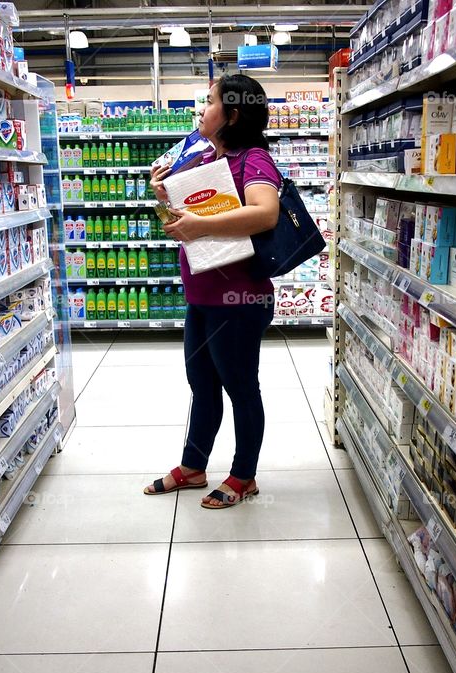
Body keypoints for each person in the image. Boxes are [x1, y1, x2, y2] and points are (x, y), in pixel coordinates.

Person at [143, 74, 281, 509]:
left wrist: (200, 224)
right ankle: (193, 466)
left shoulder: (253, 160)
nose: (201, 111)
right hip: (201, 295)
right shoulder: (202, 158)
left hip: (239, 300)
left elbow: (265, 213)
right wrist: (160, 191)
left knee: (241, 388)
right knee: (202, 385)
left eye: (209, 102)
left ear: (233, 114)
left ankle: (244, 475)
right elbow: (178, 221)